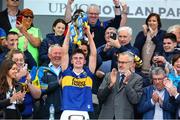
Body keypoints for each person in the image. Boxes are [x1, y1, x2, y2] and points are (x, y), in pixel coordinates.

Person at [60, 25, 96, 120]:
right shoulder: (66, 72)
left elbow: (93, 54)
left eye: (81, 58)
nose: (78, 60)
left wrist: (88, 33)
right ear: (71, 61)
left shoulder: (88, 73)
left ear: (85, 61)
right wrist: (68, 32)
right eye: (75, 58)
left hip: (84, 112)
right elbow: (64, 52)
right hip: (67, 112)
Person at [97, 51, 143, 119]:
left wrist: (127, 84)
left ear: (131, 64)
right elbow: (100, 96)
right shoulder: (109, 75)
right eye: (119, 62)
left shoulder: (138, 79)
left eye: (123, 62)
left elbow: (135, 100)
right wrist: (110, 85)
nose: (120, 65)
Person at [6, 49, 41, 118]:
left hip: (29, 115)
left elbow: (37, 95)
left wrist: (29, 82)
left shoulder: (31, 73)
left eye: (21, 60)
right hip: (11, 115)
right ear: (10, 61)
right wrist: (18, 76)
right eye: (16, 60)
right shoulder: (5, 74)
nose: (19, 62)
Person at [36, 44, 64, 119]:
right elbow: (41, 87)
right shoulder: (42, 70)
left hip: (65, 111)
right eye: (55, 53)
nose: (57, 55)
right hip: (47, 111)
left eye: (60, 53)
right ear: (49, 55)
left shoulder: (67, 70)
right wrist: (57, 83)